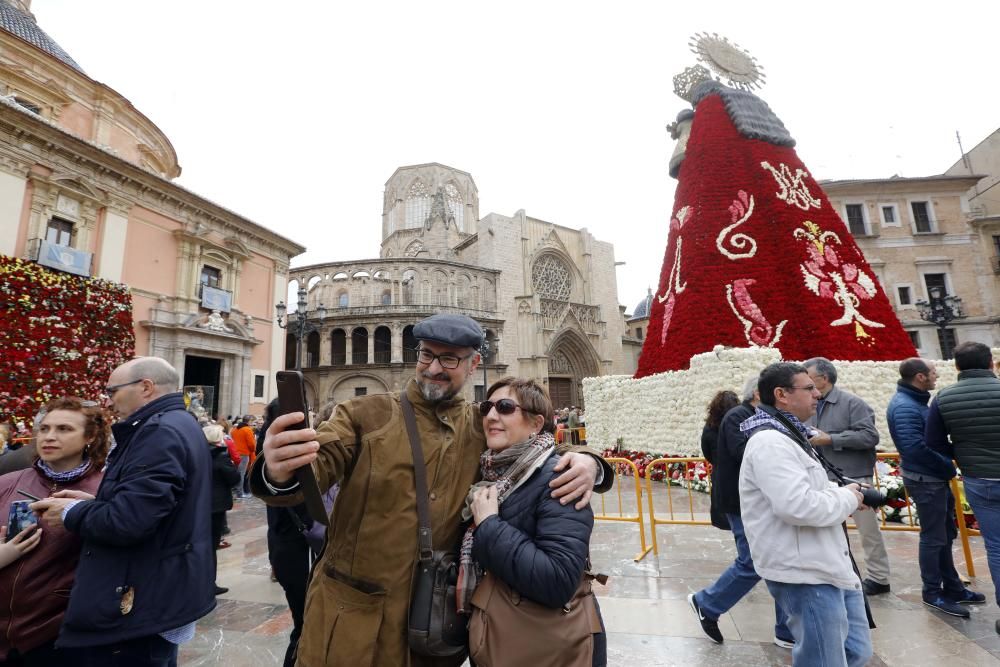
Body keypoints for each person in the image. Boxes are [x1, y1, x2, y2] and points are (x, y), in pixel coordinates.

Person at [253, 313, 611, 666]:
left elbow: (535, 446)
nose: (434, 367)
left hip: (432, 633)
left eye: (450, 359)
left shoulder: (479, 425)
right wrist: (279, 468)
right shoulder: (363, 414)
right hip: (350, 627)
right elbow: (317, 465)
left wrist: (590, 461)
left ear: (474, 364)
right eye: (426, 354)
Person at [30, 357, 215, 667]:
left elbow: (129, 520)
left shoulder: (158, 431)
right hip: (161, 590)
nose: (109, 398)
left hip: (142, 600)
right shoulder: (178, 422)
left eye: (113, 390)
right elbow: (153, 503)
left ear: (145, 387)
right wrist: (93, 503)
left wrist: (71, 513)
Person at [462, 377, 605, 666]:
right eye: (486, 407)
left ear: (537, 424)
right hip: (504, 640)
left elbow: (557, 580)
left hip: (551, 649)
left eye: (504, 407)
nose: (491, 416)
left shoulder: (561, 478)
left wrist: (489, 526)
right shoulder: (492, 475)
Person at [739, 362, 872, 667]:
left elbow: (809, 487)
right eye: (809, 388)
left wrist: (846, 493)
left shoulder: (789, 434)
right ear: (781, 395)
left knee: (855, 652)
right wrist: (846, 497)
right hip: (804, 570)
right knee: (824, 659)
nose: (817, 394)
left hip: (824, 563)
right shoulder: (770, 441)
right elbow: (797, 506)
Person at [0, 397, 109, 666]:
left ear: (90, 436)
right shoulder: (8, 482)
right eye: (45, 428)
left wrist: (92, 511)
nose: (49, 437)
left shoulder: (107, 490)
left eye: (64, 429)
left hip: (60, 635)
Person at [689, 377, 793, 648]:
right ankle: (707, 603)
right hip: (741, 502)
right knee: (753, 561)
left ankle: (787, 629)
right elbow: (746, 454)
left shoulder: (761, 415)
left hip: (758, 501)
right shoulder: (739, 416)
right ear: (760, 392)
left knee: (777, 561)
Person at [887, 357, 983, 618]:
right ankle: (932, 592)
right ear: (920, 377)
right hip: (925, 479)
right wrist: (947, 465)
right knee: (933, 538)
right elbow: (915, 448)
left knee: (944, 534)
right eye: (933, 372)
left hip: (932, 478)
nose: (936, 375)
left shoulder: (914, 401)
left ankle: (952, 586)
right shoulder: (905, 406)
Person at [925, 342, 1000, 633]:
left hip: (980, 480)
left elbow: (933, 442)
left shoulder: (944, 397)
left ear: (956, 366)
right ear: (991, 363)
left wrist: (961, 452)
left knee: (995, 547)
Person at [803, 357, 890, 596]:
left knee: (869, 532)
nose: (806, 383)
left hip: (855, 476)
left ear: (824, 378)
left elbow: (869, 437)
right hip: (824, 479)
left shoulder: (852, 403)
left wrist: (830, 439)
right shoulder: (807, 405)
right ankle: (837, 574)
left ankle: (879, 577)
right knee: (830, 531)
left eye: (809, 378)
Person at [204, 423, 240, 594]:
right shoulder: (220, 456)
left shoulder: (199, 454)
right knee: (211, 545)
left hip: (200, 504)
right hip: (216, 506)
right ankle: (209, 583)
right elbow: (233, 478)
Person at [231, 416, 256, 498]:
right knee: (242, 473)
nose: (253, 424)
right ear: (249, 421)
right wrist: (253, 450)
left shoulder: (235, 429)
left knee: (237, 472)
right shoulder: (247, 429)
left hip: (235, 453)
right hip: (244, 453)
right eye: (252, 422)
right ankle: (240, 493)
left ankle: (236, 490)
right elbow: (251, 444)